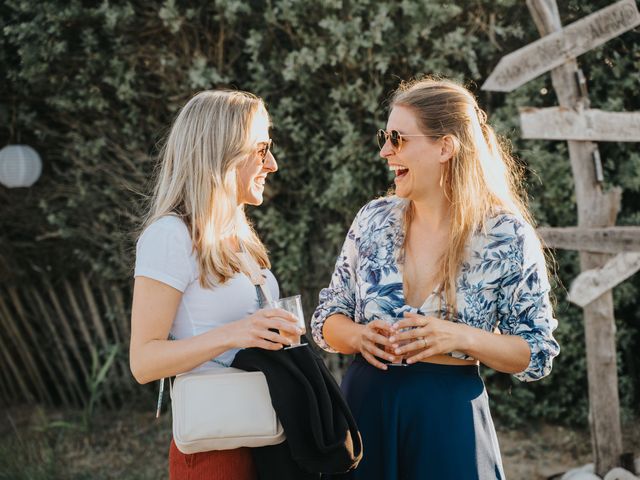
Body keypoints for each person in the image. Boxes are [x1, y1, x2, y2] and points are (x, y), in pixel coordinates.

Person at [311, 77, 560, 480]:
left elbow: (537, 353)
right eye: (385, 136)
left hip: (449, 421)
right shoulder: (373, 219)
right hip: (365, 412)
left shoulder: (506, 235)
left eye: (398, 138)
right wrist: (357, 337)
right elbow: (327, 319)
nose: (385, 151)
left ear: (445, 146)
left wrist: (460, 337)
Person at [129, 90, 302, 480]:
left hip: (267, 436)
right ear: (222, 153)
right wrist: (237, 333)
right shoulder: (170, 236)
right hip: (216, 451)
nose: (271, 164)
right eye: (261, 149)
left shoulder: (239, 240)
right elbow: (143, 362)